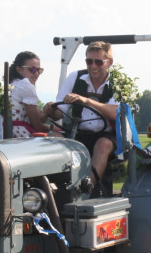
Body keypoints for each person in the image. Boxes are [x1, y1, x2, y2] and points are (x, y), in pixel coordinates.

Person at [43, 41, 119, 186]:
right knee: (53, 138)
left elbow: (115, 113)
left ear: (109, 62)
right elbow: (60, 113)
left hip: (108, 135)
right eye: (89, 61)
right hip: (77, 132)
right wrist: (51, 109)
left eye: (98, 62)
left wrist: (86, 101)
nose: (93, 66)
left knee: (102, 144)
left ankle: (87, 187)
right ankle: (52, 184)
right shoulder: (75, 77)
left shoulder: (118, 82)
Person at [7, 51, 50, 137]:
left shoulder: (10, 85)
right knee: (59, 136)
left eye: (39, 70)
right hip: (19, 134)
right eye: (32, 69)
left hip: (6, 132)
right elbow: (37, 125)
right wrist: (57, 128)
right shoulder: (25, 85)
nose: (37, 74)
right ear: (19, 69)